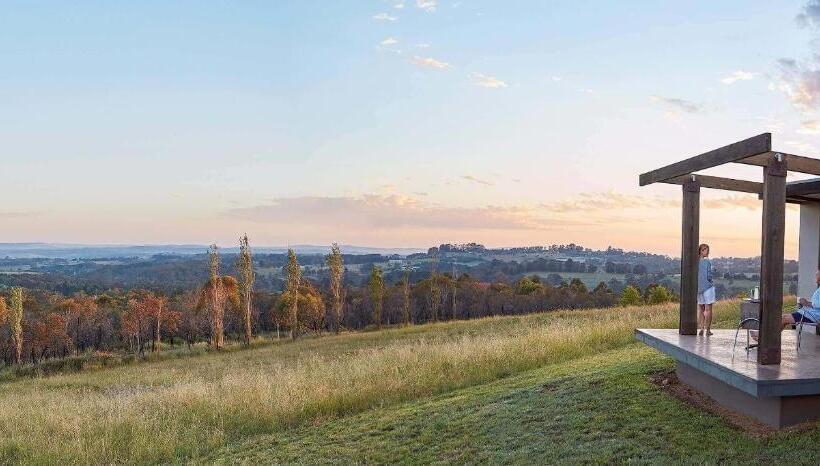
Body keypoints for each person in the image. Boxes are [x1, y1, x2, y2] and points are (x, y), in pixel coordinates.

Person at [697, 243, 715, 336]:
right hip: (708, 287)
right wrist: (711, 281)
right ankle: (708, 330)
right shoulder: (707, 262)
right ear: (701, 251)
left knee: (701, 309)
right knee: (708, 309)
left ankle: (701, 328)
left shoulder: (696, 262)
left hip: (699, 288)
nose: (707, 252)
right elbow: (709, 275)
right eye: (705, 250)